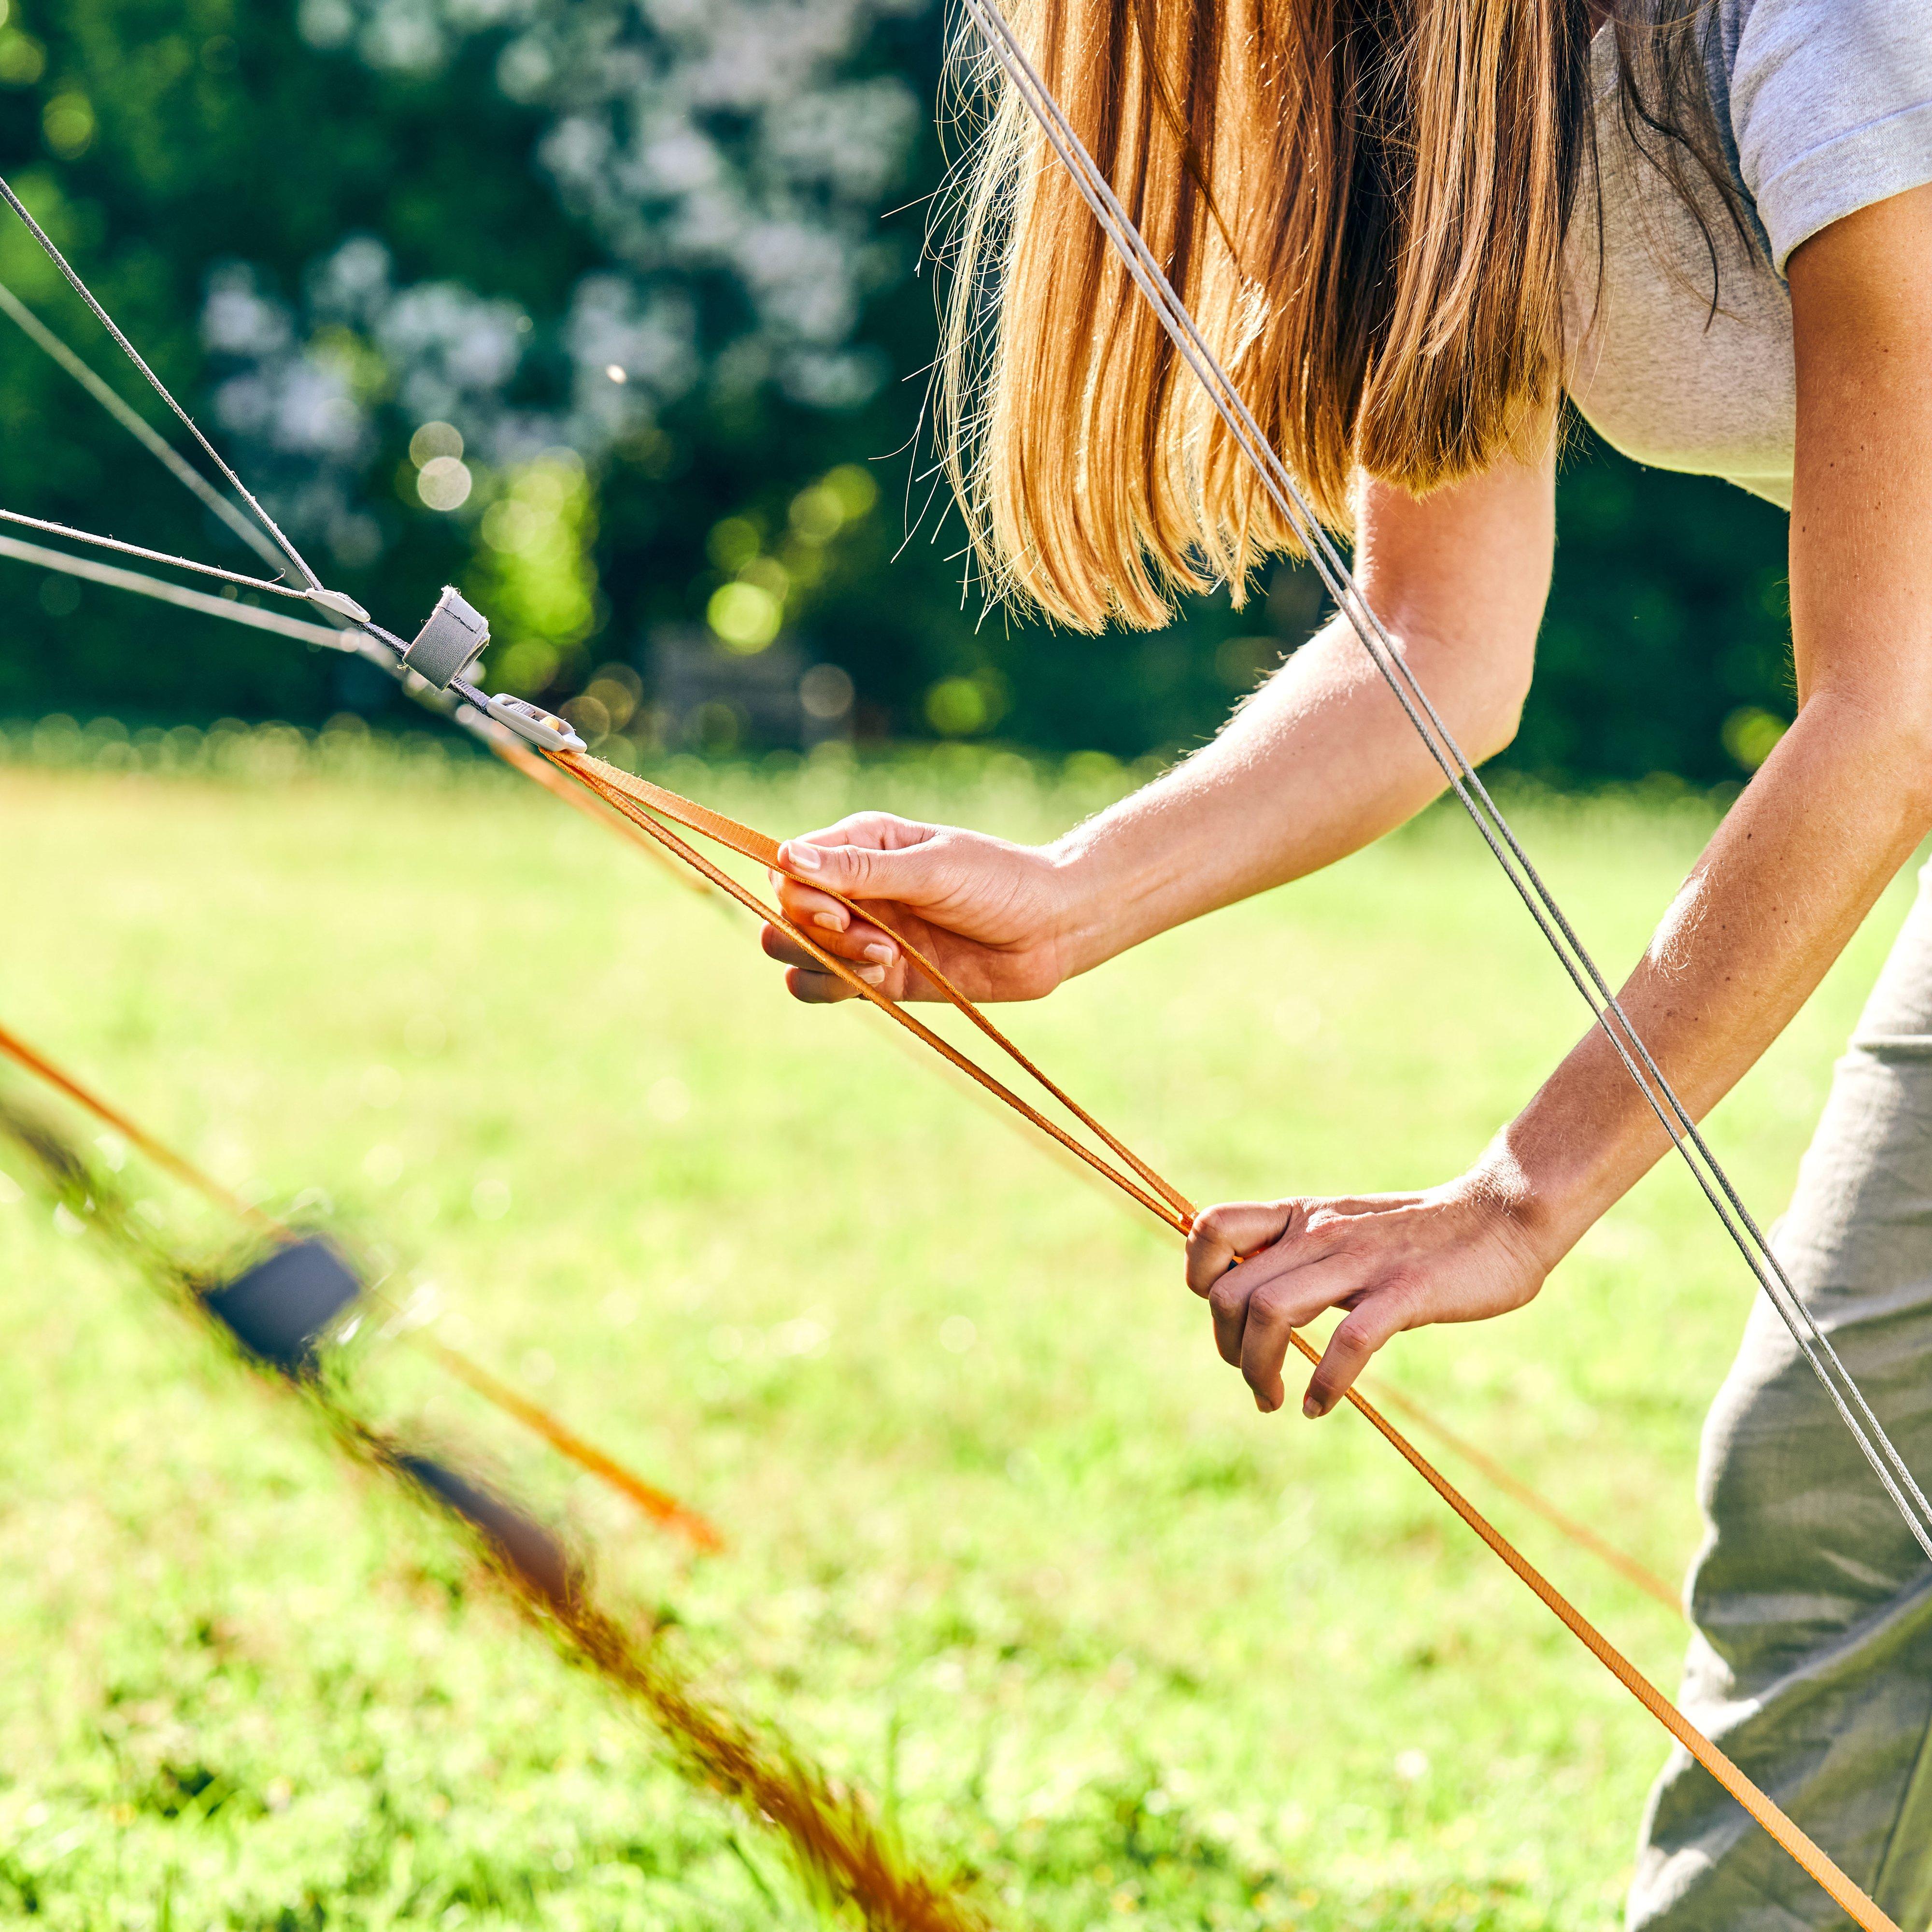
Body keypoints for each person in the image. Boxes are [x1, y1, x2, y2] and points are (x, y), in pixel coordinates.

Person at [760, 2, 1932, 1923]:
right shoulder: (1450, 90)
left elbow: (1888, 709)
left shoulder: (1836, 30)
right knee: (1839, 1508)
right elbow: (1435, 643)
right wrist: (1073, 894)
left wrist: (1519, 1196)